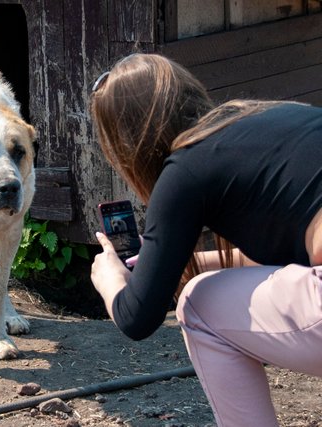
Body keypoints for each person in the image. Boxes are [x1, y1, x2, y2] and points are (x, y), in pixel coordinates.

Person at [88, 53, 322, 426]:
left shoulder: (185, 169)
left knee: (198, 304)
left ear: (129, 142)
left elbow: (137, 318)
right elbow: (289, 261)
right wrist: (168, 265)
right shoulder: (276, 115)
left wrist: (111, 279)